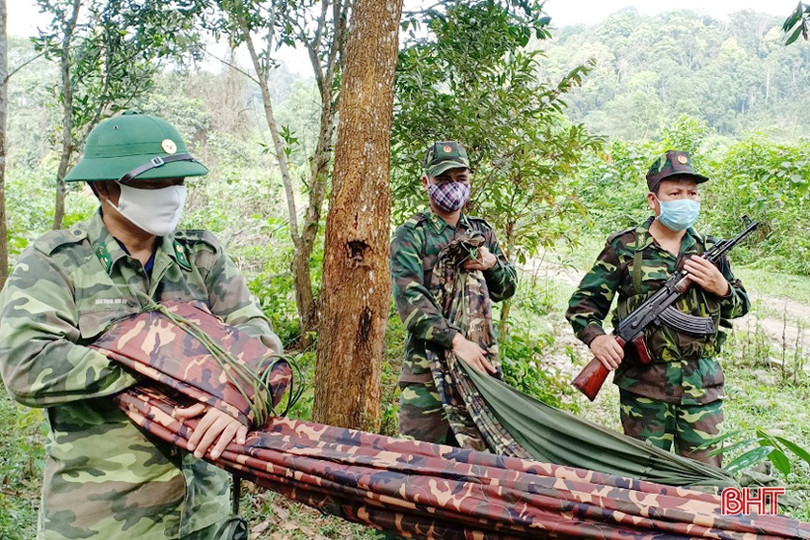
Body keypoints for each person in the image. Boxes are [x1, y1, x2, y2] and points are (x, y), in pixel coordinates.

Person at [0, 111, 282, 539]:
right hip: (102, 518)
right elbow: (27, 365)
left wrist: (237, 403)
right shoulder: (56, 263)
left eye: (178, 182)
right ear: (103, 187)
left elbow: (262, 350)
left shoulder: (201, 258)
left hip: (205, 513)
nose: (171, 194)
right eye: (152, 184)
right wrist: (164, 362)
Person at [565, 150, 749, 465]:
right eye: (675, 193)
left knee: (706, 481)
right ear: (654, 200)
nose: (685, 200)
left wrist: (722, 287)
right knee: (645, 482)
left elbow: (740, 305)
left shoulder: (710, 252)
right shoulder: (624, 248)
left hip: (702, 391)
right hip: (644, 393)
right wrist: (597, 338)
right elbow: (583, 304)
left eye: (692, 193)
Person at [389, 141, 517, 444]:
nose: (453, 187)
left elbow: (507, 287)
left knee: (477, 465)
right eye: (443, 180)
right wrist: (457, 342)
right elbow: (411, 301)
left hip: (478, 368)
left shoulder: (481, 233)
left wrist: (491, 263)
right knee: (418, 468)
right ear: (426, 182)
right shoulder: (412, 235)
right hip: (426, 374)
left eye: (460, 179)